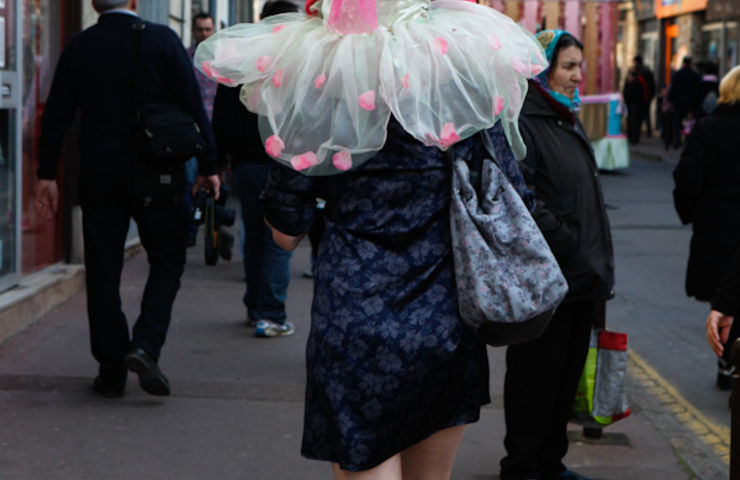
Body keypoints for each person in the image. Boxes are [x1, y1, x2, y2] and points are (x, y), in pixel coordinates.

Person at [196, 0, 547, 477]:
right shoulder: (457, 93)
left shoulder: (324, 94)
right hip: (442, 322)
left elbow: (283, 233)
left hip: (354, 323)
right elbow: (512, 192)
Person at [33, 0, 219, 398]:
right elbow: (193, 108)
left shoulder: (81, 46)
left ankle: (111, 368)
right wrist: (209, 165)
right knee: (167, 259)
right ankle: (145, 345)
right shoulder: (163, 41)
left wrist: (46, 173)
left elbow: (57, 115)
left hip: (100, 174)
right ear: (135, 2)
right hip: (159, 174)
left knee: (102, 271)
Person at [500, 30, 615, 480]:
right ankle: (523, 466)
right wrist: (565, 240)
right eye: (568, 66)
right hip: (547, 279)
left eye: (579, 66)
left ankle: (550, 462)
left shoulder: (564, 117)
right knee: (536, 377)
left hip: (579, 278)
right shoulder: (525, 121)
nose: (577, 76)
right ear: (543, 70)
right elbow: (520, 196)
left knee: (564, 377)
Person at [211, 0, 299, 337]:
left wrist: (220, 161)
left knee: (255, 236)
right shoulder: (295, 62)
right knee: (278, 239)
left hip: (245, 164)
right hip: (283, 163)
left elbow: (221, 115)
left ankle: (254, 307)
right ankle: (271, 314)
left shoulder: (241, 60)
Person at [674, 65, 740, 390]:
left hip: (716, 226)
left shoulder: (707, 129)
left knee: (723, 296)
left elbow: (686, 178)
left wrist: (691, 213)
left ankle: (727, 361)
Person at [184, 12, 219, 247]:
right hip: (191, 131)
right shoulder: (185, 57)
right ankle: (190, 229)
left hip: (216, 131)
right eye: (200, 30)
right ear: (193, 31)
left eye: (208, 29)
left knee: (218, 187)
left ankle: (214, 234)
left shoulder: (222, 59)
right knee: (190, 181)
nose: (204, 34)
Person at [668, 56, 701, 148]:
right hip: (690, 102)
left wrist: (671, 100)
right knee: (689, 121)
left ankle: (677, 138)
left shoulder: (678, 74)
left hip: (678, 102)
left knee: (677, 121)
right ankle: (687, 138)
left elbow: (673, 88)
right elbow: (697, 90)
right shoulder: (695, 75)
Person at [622, 55, 655, 143]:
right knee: (640, 119)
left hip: (633, 101)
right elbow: (652, 87)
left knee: (632, 120)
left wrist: (625, 98)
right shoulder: (647, 72)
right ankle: (645, 134)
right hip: (643, 101)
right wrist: (649, 98)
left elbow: (627, 88)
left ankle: (633, 137)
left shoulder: (634, 73)